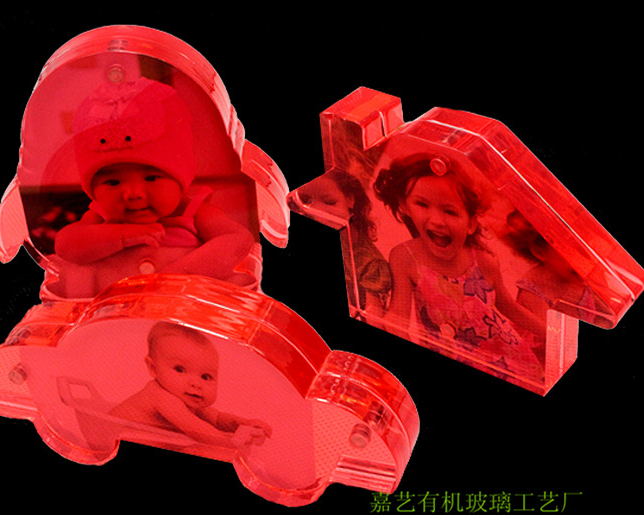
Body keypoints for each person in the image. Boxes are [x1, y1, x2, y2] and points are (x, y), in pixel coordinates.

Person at [50, 78, 254, 298]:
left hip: (183, 304)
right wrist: (122, 236)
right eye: (113, 182)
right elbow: (66, 247)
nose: (133, 194)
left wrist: (180, 275)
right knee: (73, 274)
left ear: (179, 179)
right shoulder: (101, 217)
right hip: (111, 307)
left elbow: (237, 239)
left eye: (151, 178)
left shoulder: (193, 212)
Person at [373, 154, 545, 377]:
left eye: (450, 211)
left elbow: (510, 308)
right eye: (422, 204)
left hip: (505, 356)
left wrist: (551, 334)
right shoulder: (404, 257)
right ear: (404, 205)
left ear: (471, 223)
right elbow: (399, 317)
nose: (436, 220)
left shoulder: (483, 261)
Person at [110, 322, 272, 450]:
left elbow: (217, 419)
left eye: (205, 377)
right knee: (209, 450)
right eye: (180, 370)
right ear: (153, 368)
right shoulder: (159, 395)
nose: (196, 383)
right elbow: (196, 429)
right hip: (112, 438)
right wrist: (229, 441)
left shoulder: (189, 402)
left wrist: (242, 424)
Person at [294, 169, 391, 319]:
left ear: (350, 199)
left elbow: (374, 313)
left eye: (330, 202)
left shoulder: (369, 261)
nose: (318, 212)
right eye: (306, 201)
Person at [501, 210, 608, 325]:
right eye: (571, 251)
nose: (583, 260)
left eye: (585, 251)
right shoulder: (534, 289)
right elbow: (547, 330)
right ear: (540, 252)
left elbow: (605, 314)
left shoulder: (578, 276)